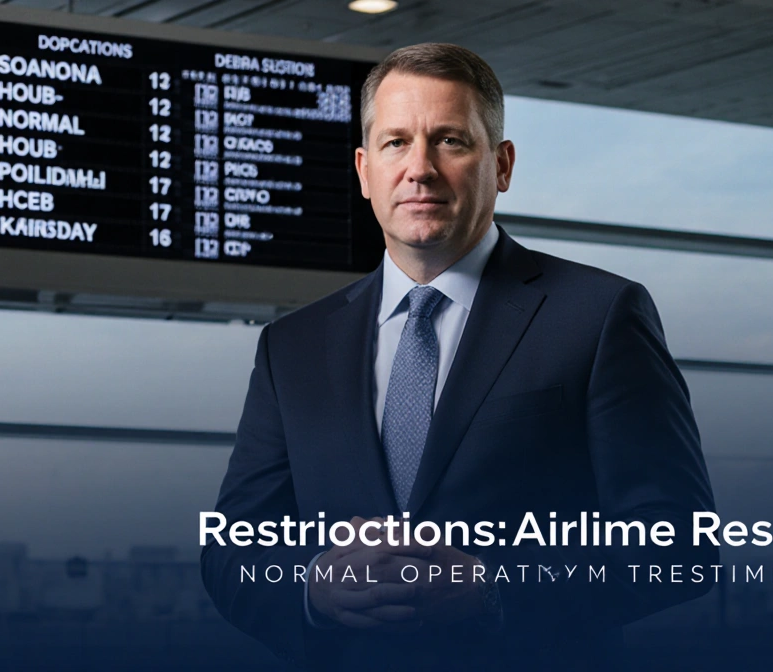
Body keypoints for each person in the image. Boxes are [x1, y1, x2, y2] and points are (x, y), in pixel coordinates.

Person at [201, 43, 716, 671]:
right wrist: (310, 587)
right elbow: (232, 552)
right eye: (395, 143)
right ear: (364, 171)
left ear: (501, 165)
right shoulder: (294, 346)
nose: (419, 168)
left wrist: (495, 588)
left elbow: (683, 543)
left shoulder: (599, 316)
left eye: (449, 140)